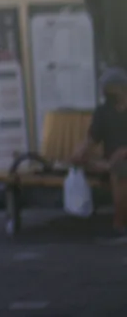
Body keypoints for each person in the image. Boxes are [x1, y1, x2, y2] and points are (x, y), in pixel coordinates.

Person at [74, 67, 127, 233]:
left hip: (119, 162)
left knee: (120, 167)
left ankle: (119, 222)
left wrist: (124, 151)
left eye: (108, 88)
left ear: (120, 88)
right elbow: (92, 138)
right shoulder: (103, 111)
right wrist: (80, 152)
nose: (105, 93)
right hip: (111, 162)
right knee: (114, 166)